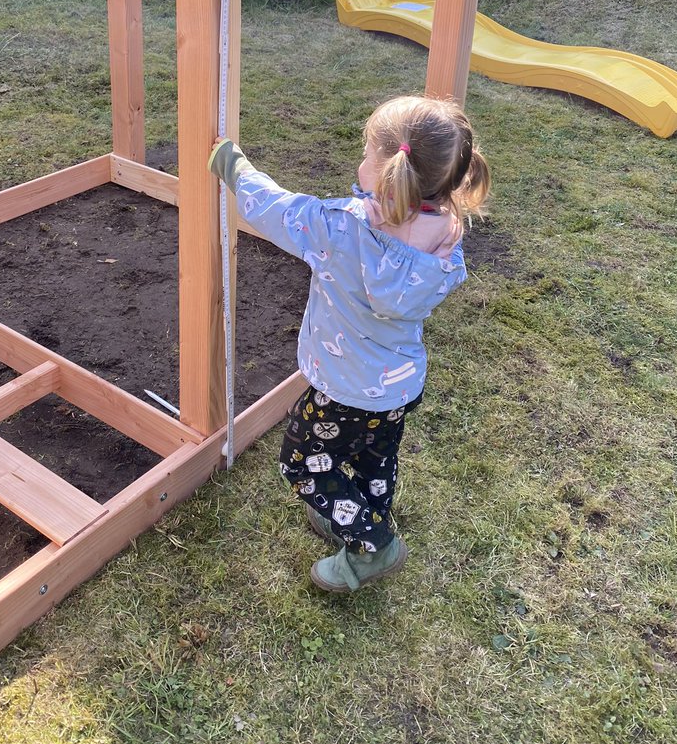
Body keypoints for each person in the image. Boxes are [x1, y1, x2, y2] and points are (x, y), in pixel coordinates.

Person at [208, 94, 490, 592]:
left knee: (300, 464)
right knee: (373, 457)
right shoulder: (447, 232)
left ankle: (372, 545)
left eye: (366, 152)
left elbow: (275, 209)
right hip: (398, 386)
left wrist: (234, 166)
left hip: (344, 388)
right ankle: (355, 512)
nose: (359, 160)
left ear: (388, 173)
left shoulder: (341, 228)